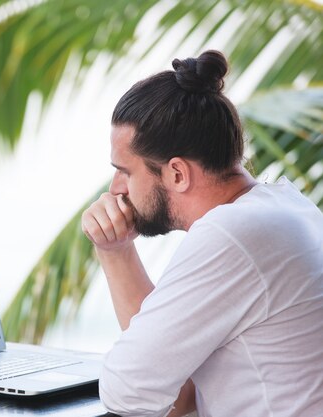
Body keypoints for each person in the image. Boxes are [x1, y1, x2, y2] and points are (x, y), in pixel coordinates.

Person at [81, 50, 323, 417]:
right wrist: (116, 251)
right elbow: (179, 394)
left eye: (125, 172)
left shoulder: (233, 235)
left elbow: (127, 391)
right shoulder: (286, 206)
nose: (116, 188)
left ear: (177, 173)